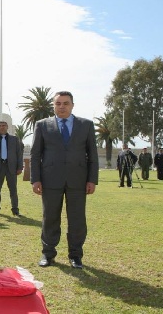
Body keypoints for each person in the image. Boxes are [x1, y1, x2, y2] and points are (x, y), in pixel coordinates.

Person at [30, 91, 98, 270]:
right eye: (58, 103)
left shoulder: (86, 125)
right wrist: (35, 179)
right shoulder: (42, 125)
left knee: (77, 219)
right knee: (50, 218)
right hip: (50, 180)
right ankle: (48, 253)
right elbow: (35, 155)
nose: (62, 106)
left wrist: (92, 180)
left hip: (78, 180)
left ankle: (75, 255)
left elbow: (92, 155)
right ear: (53, 105)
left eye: (66, 103)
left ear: (72, 105)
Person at [0, 120, 23, 216]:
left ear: (7, 127)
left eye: (4, 125)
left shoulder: (14, 139)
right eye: (0, 126)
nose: (2, 127)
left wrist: (19, 167)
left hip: (11, 167)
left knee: (13, 190)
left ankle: (15, 209)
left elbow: (19, 154)